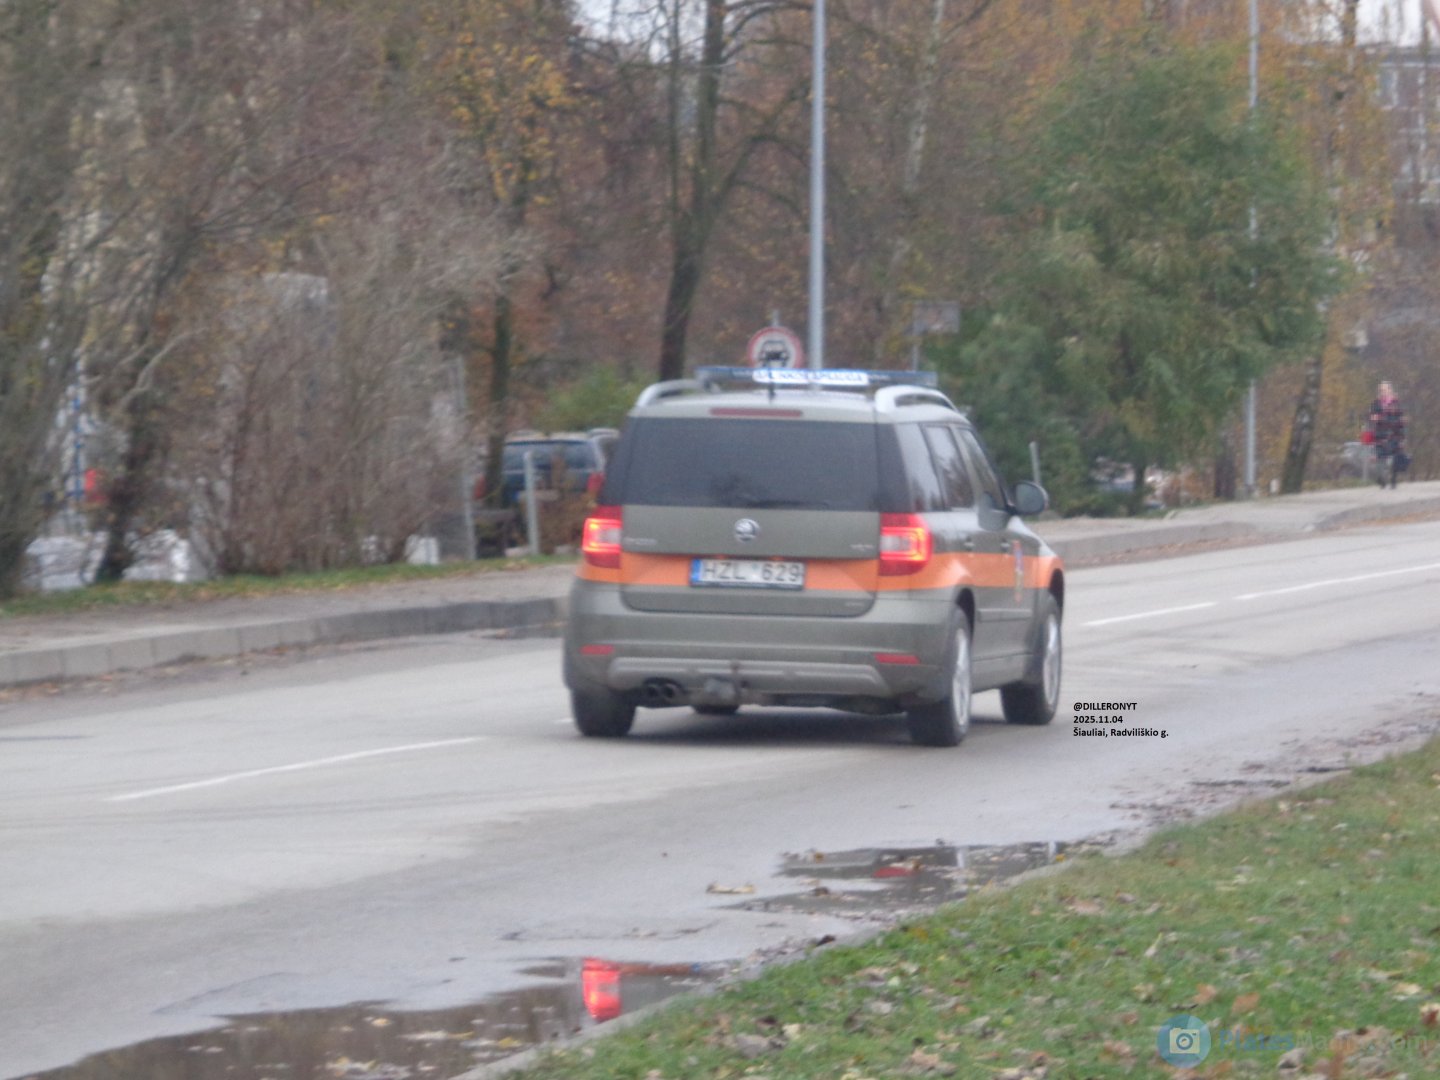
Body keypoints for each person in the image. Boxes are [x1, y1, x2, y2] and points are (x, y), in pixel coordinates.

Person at [1368, 381, 1407, 488]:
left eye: (1385, 390)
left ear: (1390, 390)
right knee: (1380, 458)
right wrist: (1374, 418)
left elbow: (1401, 420)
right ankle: (1382, 479)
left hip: (1394, 434)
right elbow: (1371, 417)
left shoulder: (1396, 403)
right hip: (1380, 434)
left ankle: (1393, 480)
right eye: (1381, 390)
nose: (1383, 392)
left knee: (1395, 458)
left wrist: (1402, 438)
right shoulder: (1376, 403)